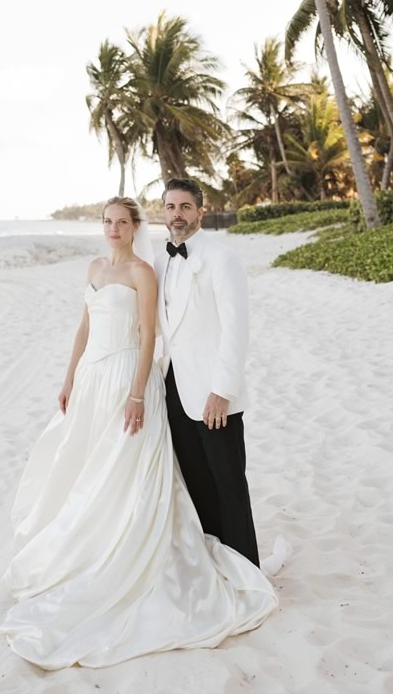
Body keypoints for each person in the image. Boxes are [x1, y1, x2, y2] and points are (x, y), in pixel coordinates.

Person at [0, 196, 279, 670]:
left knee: (195, 475)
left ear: (135, 226)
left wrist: (139, 393)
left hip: (143, 380)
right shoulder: (105, 267)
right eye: (107, 222)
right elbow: (84, 328)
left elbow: (157, 336)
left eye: (121, 222)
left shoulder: (157, 269)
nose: (113, 228)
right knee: (96, 468)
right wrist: (69, 379)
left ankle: (239, 563)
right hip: (102, 379)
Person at [157, 177, 266, 566]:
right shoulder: (160, 261)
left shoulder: (222, 258)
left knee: (229, 483)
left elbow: (237, 330)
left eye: (185, 207)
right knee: (197, 483)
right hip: (174, 389)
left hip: (213, 392)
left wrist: (222, 391)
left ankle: (247, 569)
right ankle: (215, 563)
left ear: (200, 212)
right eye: (171, 207)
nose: (177, 214)